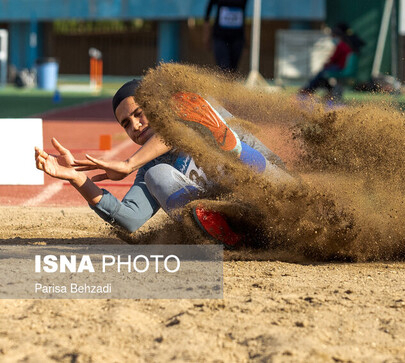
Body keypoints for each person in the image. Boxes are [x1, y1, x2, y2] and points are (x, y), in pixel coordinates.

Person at [34, 80, 289, 248]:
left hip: (280, 194)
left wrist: (128, 163)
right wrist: (77, 179)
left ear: (156, 106)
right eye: (126, 124)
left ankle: (233, 150)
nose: (134, 126)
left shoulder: (193, 109)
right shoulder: (149, 165)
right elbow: (130, 219)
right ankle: (214, 228)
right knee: (157, 175)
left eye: (138, 114)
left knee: (212, 148)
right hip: (247, 226)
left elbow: (174, 129)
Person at [203, 0, 249, 73]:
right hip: (220, 36)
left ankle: (229, 90)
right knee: (224, 67)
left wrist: (245, 40)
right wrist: (206, 35)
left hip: (237, 38)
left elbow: (243, 17)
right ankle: (220, 90)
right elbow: (207, 13)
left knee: (233, 70)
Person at [299, 23, 363, 101]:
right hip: (341, 67)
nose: (332, 38)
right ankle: (321, 91)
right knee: (322, 75)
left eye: (333, 36)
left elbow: (333, 59)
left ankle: (308, 90)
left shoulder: (341, 45)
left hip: (340, 68)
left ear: (337, 36)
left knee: (321, 74)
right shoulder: (346, 45)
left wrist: (326, 65)